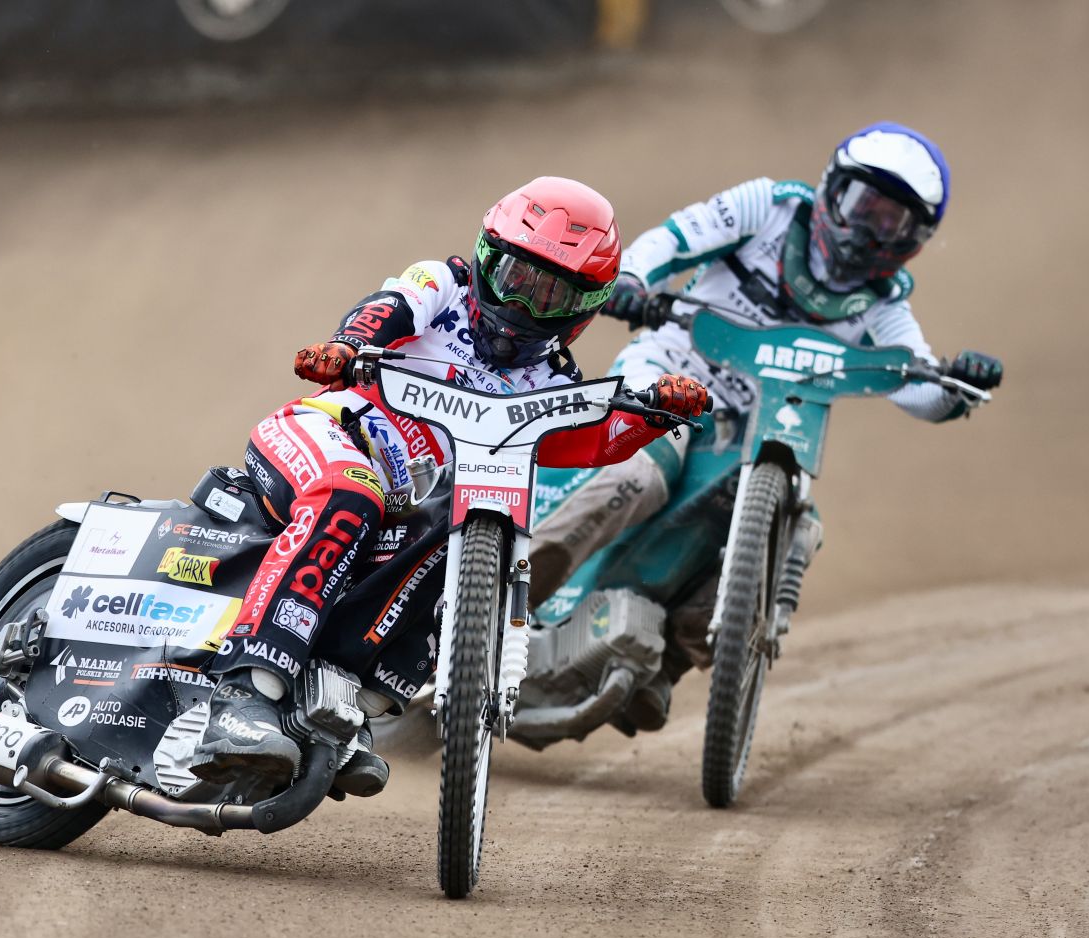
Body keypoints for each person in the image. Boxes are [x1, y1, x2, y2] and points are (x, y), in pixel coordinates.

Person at [187, 176, 712, 792]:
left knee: (458, 529)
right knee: (352, 493)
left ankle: (340, 707)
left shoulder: (551, 380)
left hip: (401, 502)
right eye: (515, 277)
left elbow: (585, 440)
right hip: (324, 433)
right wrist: (347, 346)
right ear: (487, 257)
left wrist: (653, 415)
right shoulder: (442, 285)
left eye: (550, 294)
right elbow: (388, 307)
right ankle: (245, 696)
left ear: (583, 309)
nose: (522, 305)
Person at [528, 123, 1005, 727]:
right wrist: (633, 282)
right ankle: (506, 598)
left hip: (761, 432)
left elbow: (916, 384)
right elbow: (673, 239)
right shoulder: (769, 207)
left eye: (891, 222)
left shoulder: (886, 303)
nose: (868, 230)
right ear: (833, 189)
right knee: (639, 476)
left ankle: (663, 662)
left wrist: (957, 386)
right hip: (675, 377)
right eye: (864, 206)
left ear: (913, 240)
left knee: (799, 533)